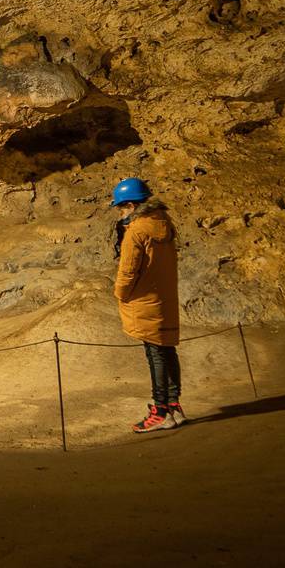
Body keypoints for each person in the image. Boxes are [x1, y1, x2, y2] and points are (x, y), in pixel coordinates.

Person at [112, 177, 185, 431]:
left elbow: (128, 270)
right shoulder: (164, 223)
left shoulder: (137, 230)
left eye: (121, 208)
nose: (121, 213)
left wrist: (120, 293)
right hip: (164, 298)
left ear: (131, 205)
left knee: (155, 354)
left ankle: (160, 411)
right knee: (166, 350)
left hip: (144, 300)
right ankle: (174, 406)